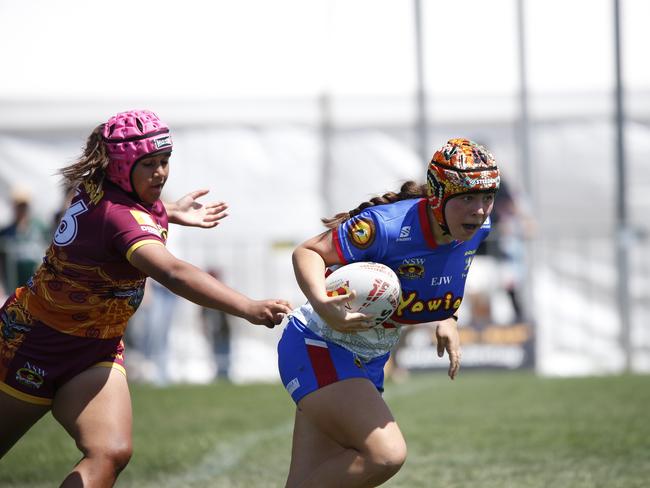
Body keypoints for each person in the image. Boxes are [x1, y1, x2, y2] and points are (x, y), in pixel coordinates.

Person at [0, 109, 292, 486]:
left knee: (111, 451)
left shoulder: (104, 187)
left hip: (96, 350)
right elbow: (174, 272)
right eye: (149, 164)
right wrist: (247, 306)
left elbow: (125, 216)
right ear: (121, 167)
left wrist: (169, 211)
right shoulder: (121, 217)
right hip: (31, 344)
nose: (160, 173)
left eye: (165, 161)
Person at [277, 138, 500, 487]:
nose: (480, 209)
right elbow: (306, 252)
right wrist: (324, 303)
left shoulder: (475, 230)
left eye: (488, 197)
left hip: (370, 356)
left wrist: (448, 318)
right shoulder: (385, 227)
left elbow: (440, 277)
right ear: (439, 195)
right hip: (320, 343)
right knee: (386, 454)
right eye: (468, 197)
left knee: (306, 480)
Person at [0, 187, 49, 299]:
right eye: (19, 206)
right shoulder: (5, 232)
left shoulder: (39, 227)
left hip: (36, 285)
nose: (22, 210)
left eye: (24, 206)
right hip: (13, 286)